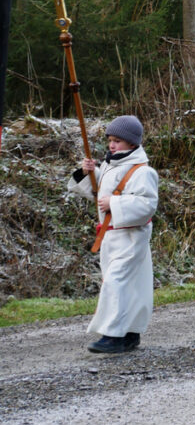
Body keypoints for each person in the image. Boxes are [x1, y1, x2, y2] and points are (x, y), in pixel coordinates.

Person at [68, 115, 159, 354]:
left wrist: (115, 203)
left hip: (131, 237)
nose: (112, 145)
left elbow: (147, 205)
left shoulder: (143, 172)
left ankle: (113, 335)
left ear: (132, 142)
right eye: (110, 140)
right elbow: (100, 193)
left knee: (116, 282)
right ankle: (130, 334)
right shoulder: (111, 166)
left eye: (117, 141)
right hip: (111, 237)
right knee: (130, 284)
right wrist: (89, 173)